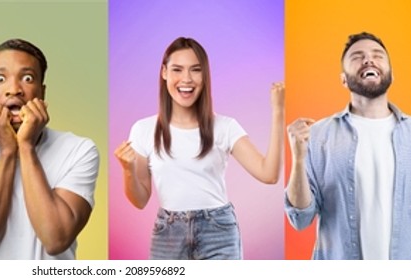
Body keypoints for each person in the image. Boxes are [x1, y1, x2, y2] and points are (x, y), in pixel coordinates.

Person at [283, 32, 411, 260]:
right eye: (357, 57)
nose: (369, 60)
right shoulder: (318, 135)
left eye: (377, 55)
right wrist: (298, 159)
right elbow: (300, 219)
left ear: (391, 75)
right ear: (343, 79)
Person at [113, 37, 283, 260]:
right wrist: (128, 170)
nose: (186, 79)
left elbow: (268, 174)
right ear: (164, 72)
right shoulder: (144, 129)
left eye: (195, 70)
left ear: (205, 76)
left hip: (218, 232)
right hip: (168, 235)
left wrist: (278, 111)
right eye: (177, 70)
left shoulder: (224, 127)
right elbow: (140, 200)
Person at [0, 38, 98, 260]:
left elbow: (56, 239)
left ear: (42, 92)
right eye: (0, 79)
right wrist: (6, 152)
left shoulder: (79, 150)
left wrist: (25, 146)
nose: (13, 90)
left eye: (27, 78)